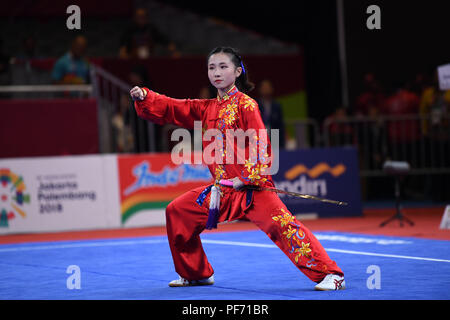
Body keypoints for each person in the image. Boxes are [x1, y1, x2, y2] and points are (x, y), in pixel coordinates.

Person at [130, 46, 345, 291]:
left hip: (252, 188)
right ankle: (196, 273)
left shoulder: (247, 105)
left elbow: (260, 141)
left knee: (283, 227)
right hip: (222, 190)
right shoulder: (206, 108)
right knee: (178, 212)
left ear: (238, 71)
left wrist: (249, 176)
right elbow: (174, 107)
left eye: (223, 67)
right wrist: (145, 97)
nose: (216, 72)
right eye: (212, 67)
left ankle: (331, 274)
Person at [256, 79, 286, 149]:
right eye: (264, 87)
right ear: (260, 89)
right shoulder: (255, 105)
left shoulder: (276, 105)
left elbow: (280, 125)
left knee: (275, 158)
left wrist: (282, 143)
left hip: (274, 134)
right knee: (262, 157)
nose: (266, 89)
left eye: (268, 87)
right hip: (260, 135)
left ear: (272, 89)